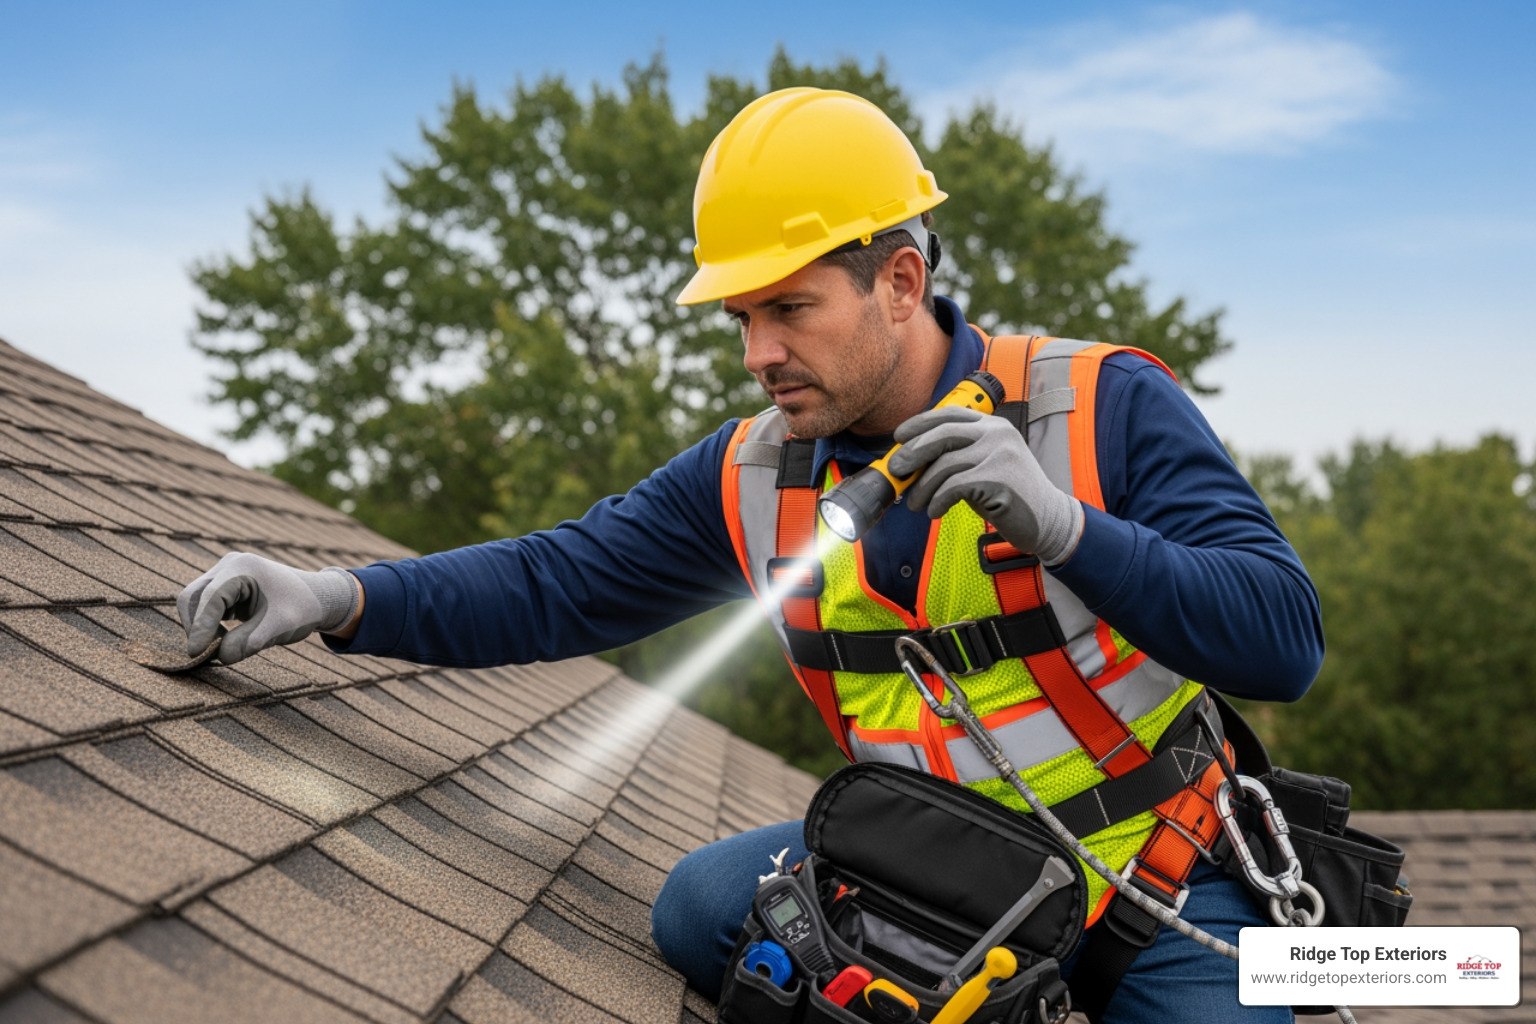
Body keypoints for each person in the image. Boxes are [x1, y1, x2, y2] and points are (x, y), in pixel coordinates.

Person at [179, 88, 1322, 1023]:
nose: (758, 353)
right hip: (936, 869)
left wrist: (1070, 531)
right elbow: (552, 582)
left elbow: (1286, 636)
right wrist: (330, 596)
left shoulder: (1100, 407)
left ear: (901, 282)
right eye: (738, 318)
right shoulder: (758, 472)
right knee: (698, 908)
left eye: (789, 308)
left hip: (1154, 877)